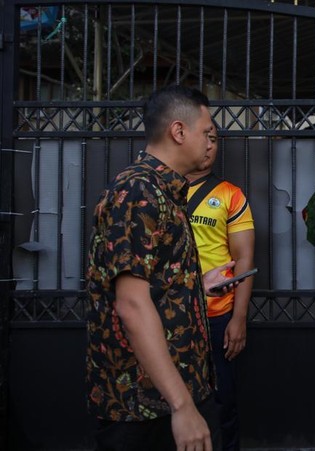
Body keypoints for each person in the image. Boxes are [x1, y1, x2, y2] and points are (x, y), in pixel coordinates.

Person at [86, 85, 239, 451]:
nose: (210, 142)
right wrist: (182, 406)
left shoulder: (163, 192)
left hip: (172, 395)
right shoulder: (139, 192)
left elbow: (151, 287)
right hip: (145, 405)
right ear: (179, 131)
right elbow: (132, 305)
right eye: (207, 132)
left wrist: (196, 286)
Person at [186, 129, 255, 451]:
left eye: (215, 140)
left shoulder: (230, 195)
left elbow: (243, 259)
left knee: (222, 400)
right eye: (205, 137)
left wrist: (238, 317)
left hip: (216, 316)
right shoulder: (158, 191)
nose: (210, 146)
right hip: (167, 316)